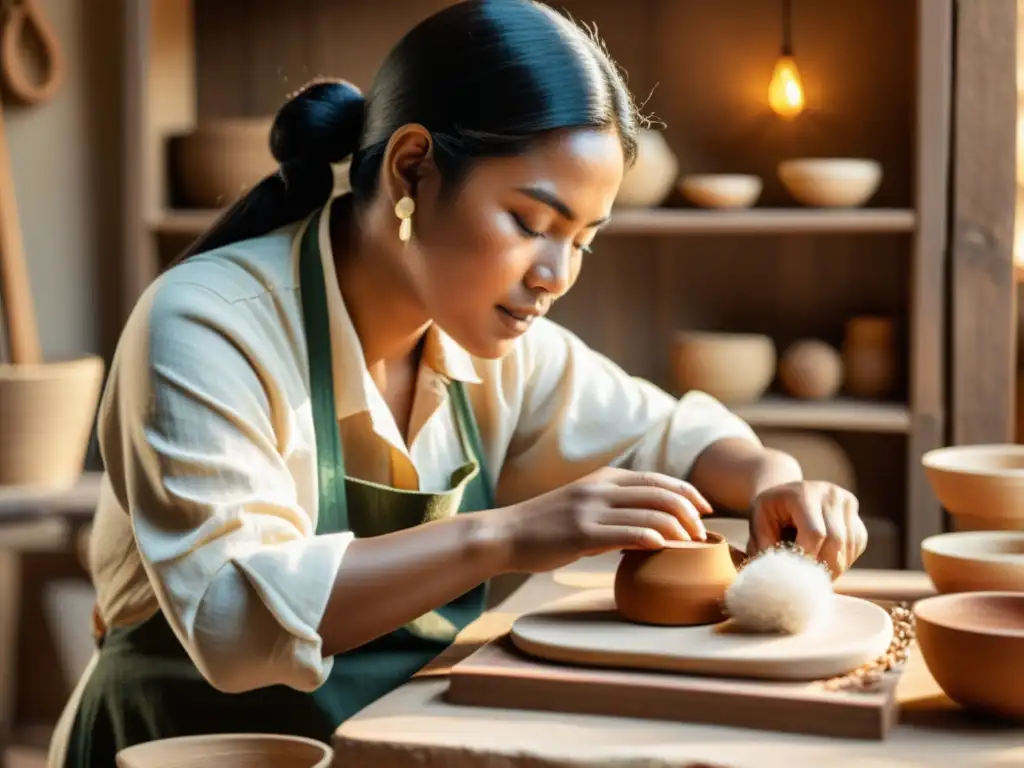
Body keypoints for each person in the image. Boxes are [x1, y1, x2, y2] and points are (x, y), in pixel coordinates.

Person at [49, 1, 867, 765]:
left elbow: (672, 437)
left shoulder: (497, 342)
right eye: (530, 223)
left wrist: (773, 479)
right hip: (189, 746)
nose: (555, 274)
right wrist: (508, 535)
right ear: (411, 170)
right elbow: (234, 619)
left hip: (386, 746)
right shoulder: (206, 323)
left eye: (584, 240)